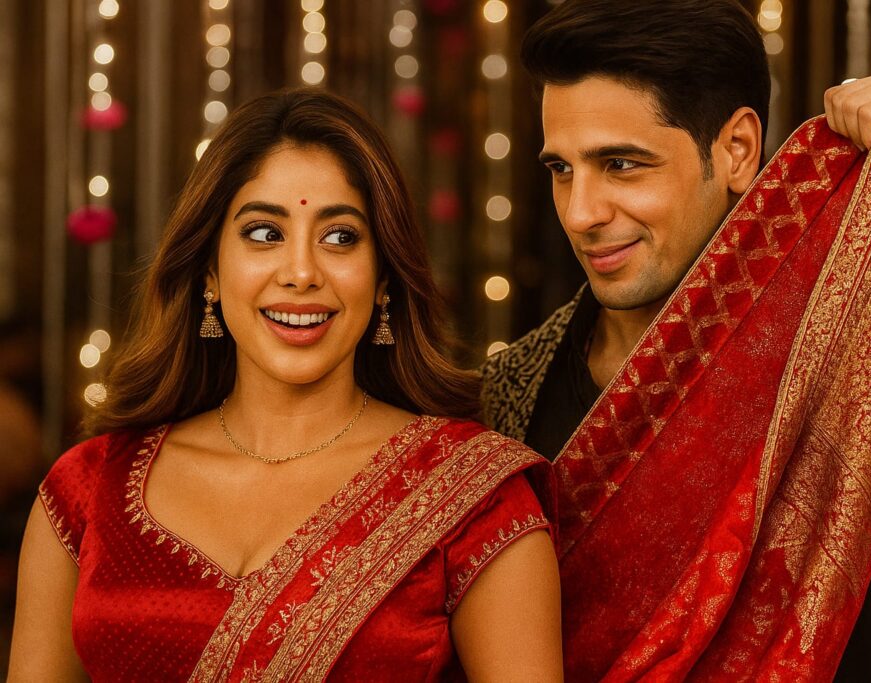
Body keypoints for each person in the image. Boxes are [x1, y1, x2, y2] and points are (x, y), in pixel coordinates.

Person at [481, 0, 871, 680]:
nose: (582, 211)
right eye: (561, 169)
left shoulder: (867, 346)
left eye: (621, 165)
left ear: (736, 149)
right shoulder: (511, 394)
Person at [9, 89, 563, 681]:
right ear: (209, 274)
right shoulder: (89, 491)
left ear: (384, 281)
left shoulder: (469, 493)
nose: (301, 273)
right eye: (264, 233)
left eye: (341, 237)